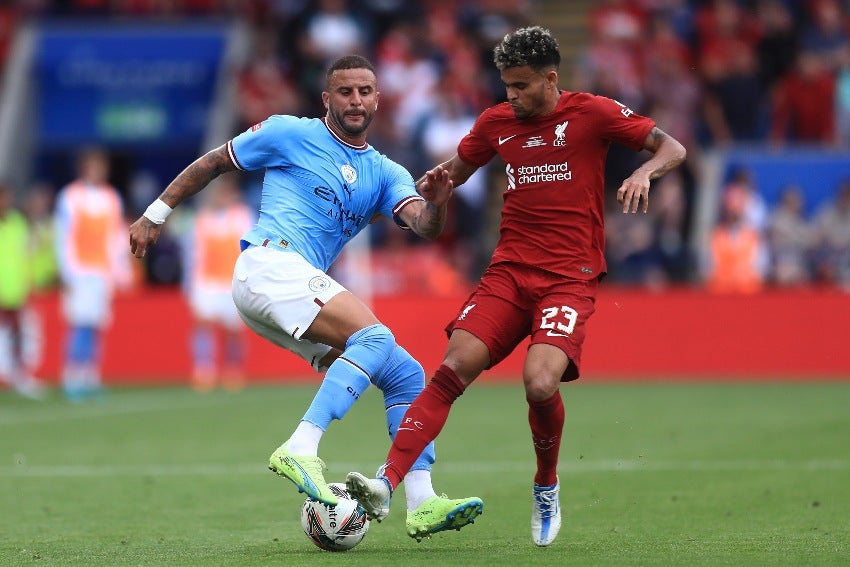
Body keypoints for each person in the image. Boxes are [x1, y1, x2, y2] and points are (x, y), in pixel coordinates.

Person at [345, 26, 687, 547]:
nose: (511, 95)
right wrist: (437, 194)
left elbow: (673, 147)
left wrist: (646, 173)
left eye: (522, 85)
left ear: (551, 79)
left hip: (569, 277)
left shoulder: (592, 112)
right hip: (508, 271)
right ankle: (385, 485)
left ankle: (546, 484)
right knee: (452, 366)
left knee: (540, 383)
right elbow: (450, 176)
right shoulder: (496, 123)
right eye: (506, 84)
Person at [128, 54, 483, 541]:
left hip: (288, 285)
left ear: (378, 98)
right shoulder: (288, 132)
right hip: (269, 264)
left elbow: (423, 224)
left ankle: (420, 500)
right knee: (375, 337)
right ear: (327, 99)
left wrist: (440, 205)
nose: (355, 101)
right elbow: (214, 163)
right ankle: (301, 444)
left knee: (406, 373)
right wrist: (155, 214)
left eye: (364, 91)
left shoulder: (385, 172)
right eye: (345, 92)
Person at [54, 148, 131, 401]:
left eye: (102, 166)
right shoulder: (70, 197)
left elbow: (116, 237)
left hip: (101, 271)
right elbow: (63, 236)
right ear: (84, 168)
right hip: (80, 270)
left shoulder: (111, 198)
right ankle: (72, 376)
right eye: (94, 166)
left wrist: (121, 270)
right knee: (80, 323)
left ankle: (91, 376)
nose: (99, 171)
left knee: (97, 325)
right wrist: (67, 271)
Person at [183, 173, 254, 391]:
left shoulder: (242, 217)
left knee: (234, 330)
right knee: (203, 323)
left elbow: (251, 250)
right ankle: (204, 369)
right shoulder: (202, 220)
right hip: (207, 280)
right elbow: (193, 253)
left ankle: (234, 370)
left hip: (232, 281)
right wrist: (189, 282)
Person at [0, 182, 44, 399]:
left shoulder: (18, 223)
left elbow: (25, 255)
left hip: (14, 289)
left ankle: (19, 377)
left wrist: (28, 281)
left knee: (17, 335)